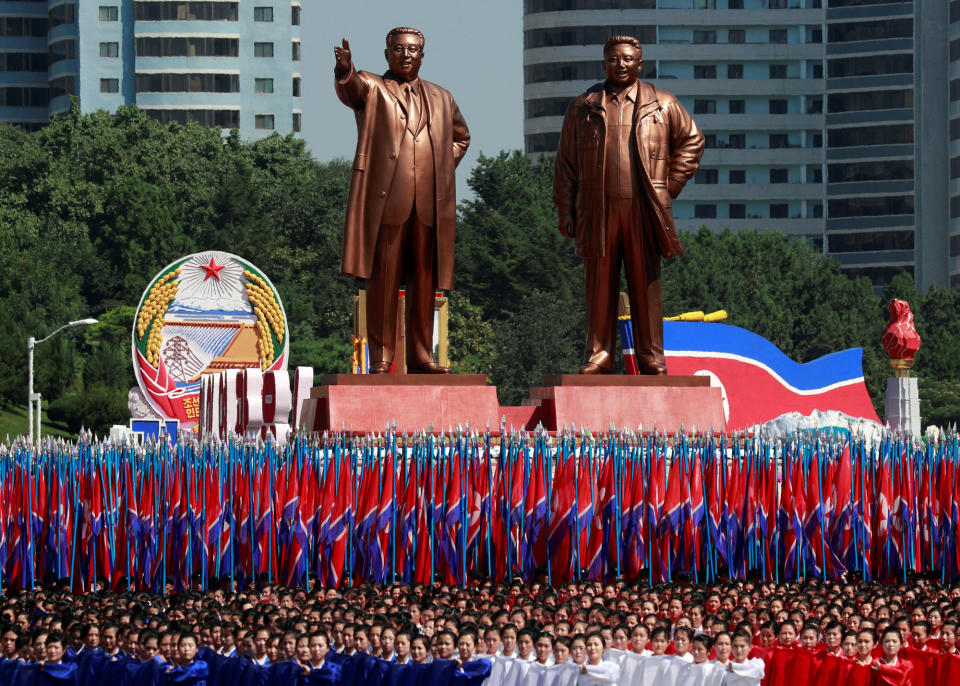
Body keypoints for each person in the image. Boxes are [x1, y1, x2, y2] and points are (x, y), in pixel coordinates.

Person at [553, 34, 703, 375]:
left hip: (643, 209)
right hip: (597, 209)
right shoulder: (584, 106)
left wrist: (670, 186)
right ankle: (598, 353)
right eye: (613, 59)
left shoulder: (662, 104)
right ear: (604, 63)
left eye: (627, 59)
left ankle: (652, 356)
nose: (620, 65)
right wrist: (565, 209)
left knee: (645, 283)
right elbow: (565, 164)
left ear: (640, 64)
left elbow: (693, 141)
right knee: (599, 285)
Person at [333, 27, 470, 374]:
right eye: (398, 49)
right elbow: (352, 92)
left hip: (428, 205)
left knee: (425, 281)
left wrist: (440, 166)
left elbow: (461, 138)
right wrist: (345, 71)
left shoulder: (442, 98)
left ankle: (422, 354)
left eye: (412, 50)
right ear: (387, 54)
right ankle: (381, 355)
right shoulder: (373, 87)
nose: (405, 55)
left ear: (422, 56)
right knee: (384, 281)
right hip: (387, 202)